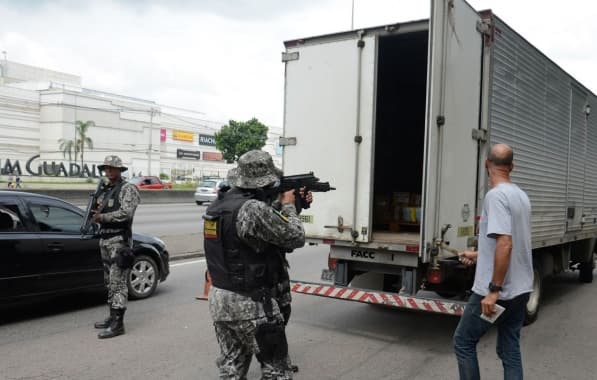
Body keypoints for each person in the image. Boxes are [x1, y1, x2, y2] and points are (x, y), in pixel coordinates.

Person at [204, 150, 307, 379]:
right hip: (250, 303)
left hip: (220, 300)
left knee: (231, 369)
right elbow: (296, 236)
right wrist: (289, 205)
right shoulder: (253, 209)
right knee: (276, 371)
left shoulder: (218, 206)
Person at [453, 144, 533, 380]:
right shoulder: (521, 195)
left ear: (486, 164)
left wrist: (493, 291)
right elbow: (510, 244)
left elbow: (505, 244)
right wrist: (478, 256)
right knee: (509, 350)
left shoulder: (495, 196)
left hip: (499, 293)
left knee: (463, 342)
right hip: (520, 291)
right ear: (512, 167)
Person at [92, 155, 141, 339]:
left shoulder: (128, 189)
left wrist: (102, 217)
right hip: (105, 240)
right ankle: (112, 316)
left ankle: (118, 324)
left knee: (118, 282)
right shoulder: (106, 190)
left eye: (113, 168)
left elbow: (126, 213)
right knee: (109, 281)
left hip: (119, 241)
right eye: (107, 168)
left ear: (120, 170)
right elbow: (98, 210)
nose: (109, 171)